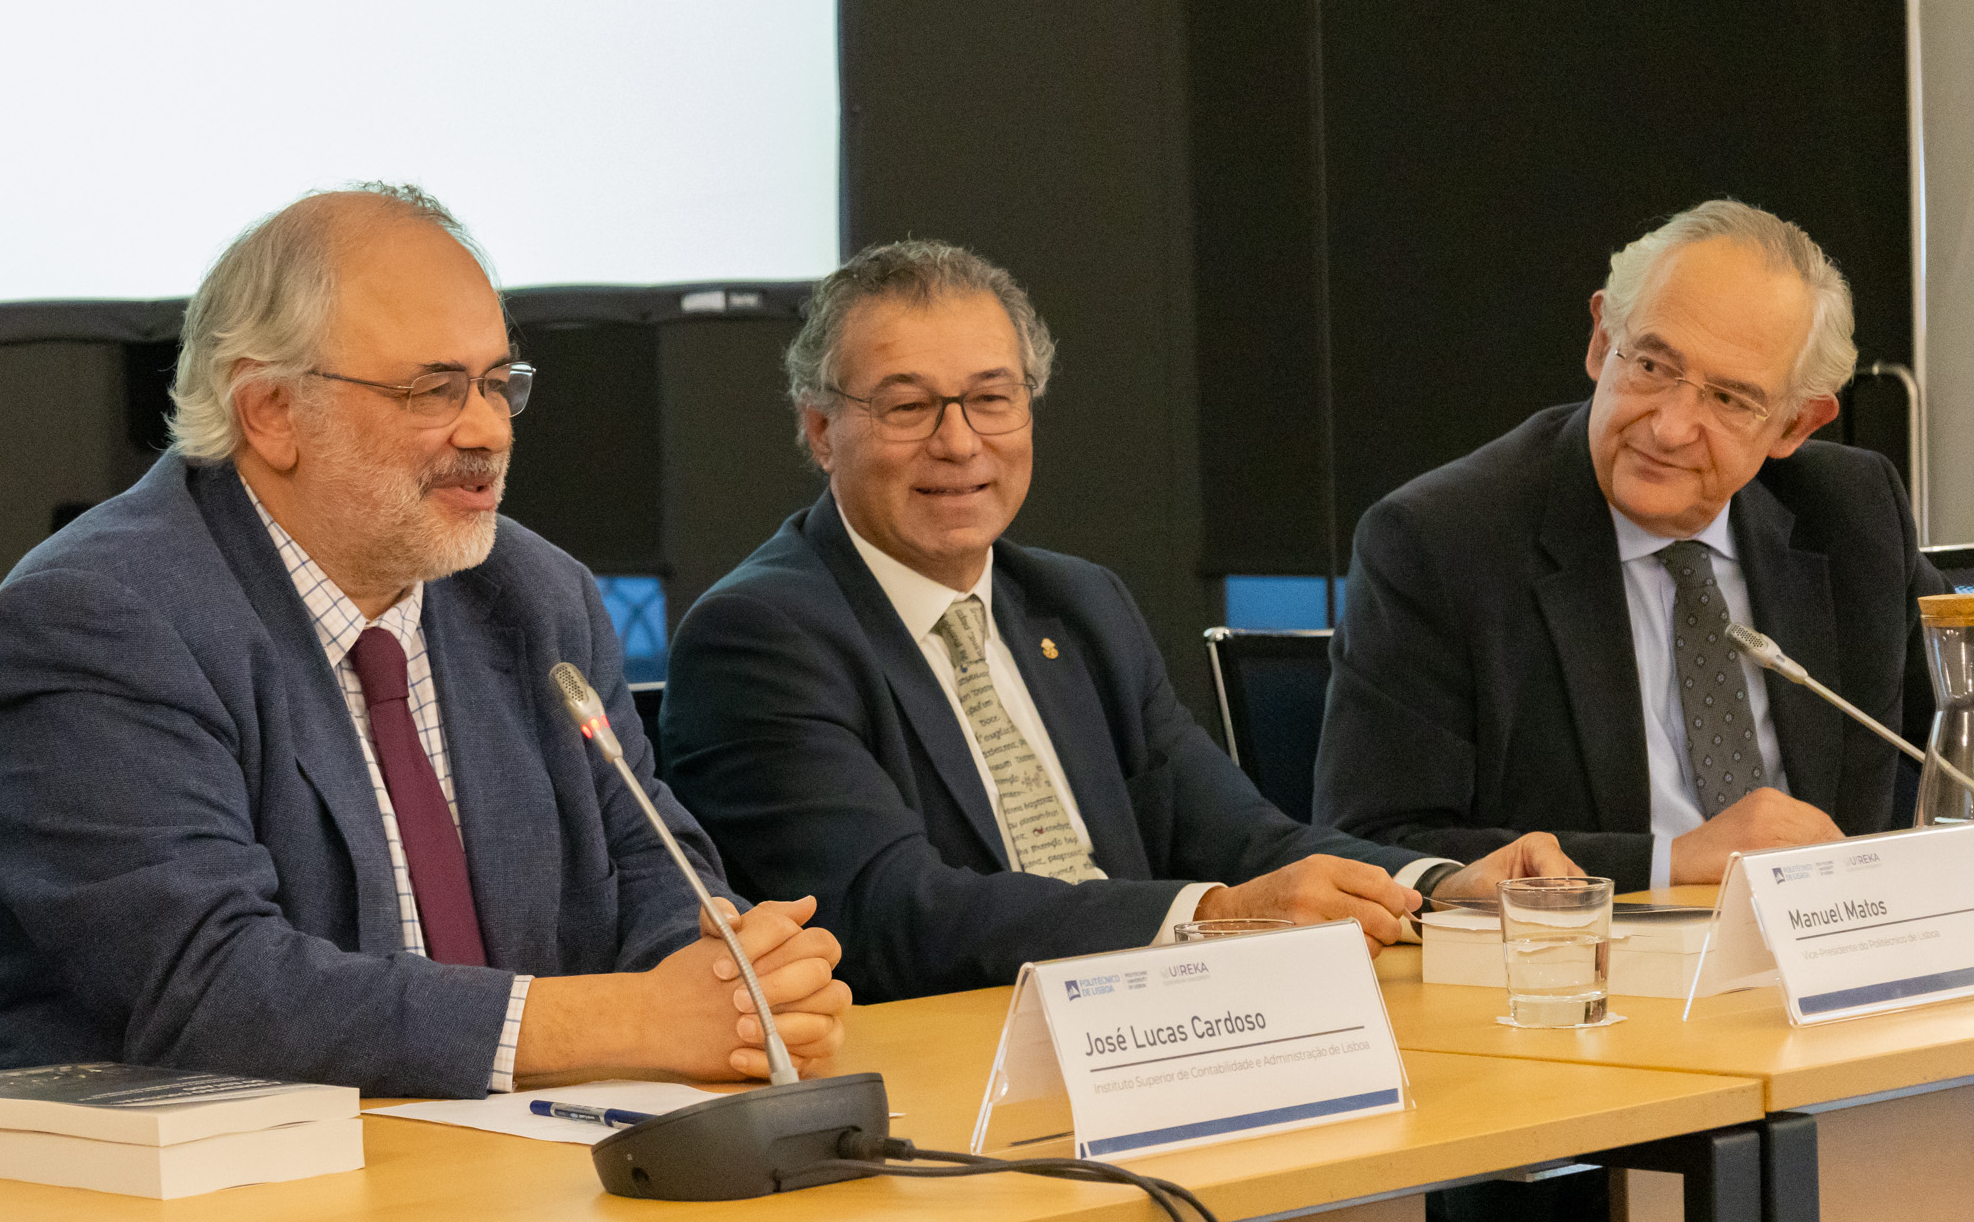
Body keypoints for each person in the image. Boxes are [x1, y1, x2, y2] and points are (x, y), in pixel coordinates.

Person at [0, 186, 847, 1146]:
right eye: (433, 388)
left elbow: (648, 862)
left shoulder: (535, 599)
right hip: (69, 1219)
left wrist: (725, 974)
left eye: (500, 383)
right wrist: (624, 1022)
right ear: (270, 411)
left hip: (445, 1172)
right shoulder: (99, 619)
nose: (488, 429)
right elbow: (213, 991)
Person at [658, 239, 1569, 1004]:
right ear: (819, 430)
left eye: (990, 397)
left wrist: (1443, 887)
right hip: (956, 1074)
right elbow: (891, 912)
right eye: (907, 406)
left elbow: (1247, 838)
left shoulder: (1078, 603)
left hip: (1162, 1032)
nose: (959, 442)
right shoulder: (760, 633)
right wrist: (1211, 920)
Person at [1315, 200, 1942, 891]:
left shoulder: (1852, 516)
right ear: (1598, 341)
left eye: (1729, 400)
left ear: (1795, 423)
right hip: (1582, 974)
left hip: (1829, 964)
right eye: (1649, 364)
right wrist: (1667, 866)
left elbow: (1958, 732)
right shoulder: (1438, 542)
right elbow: (1372, 845)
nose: (1670, 426)